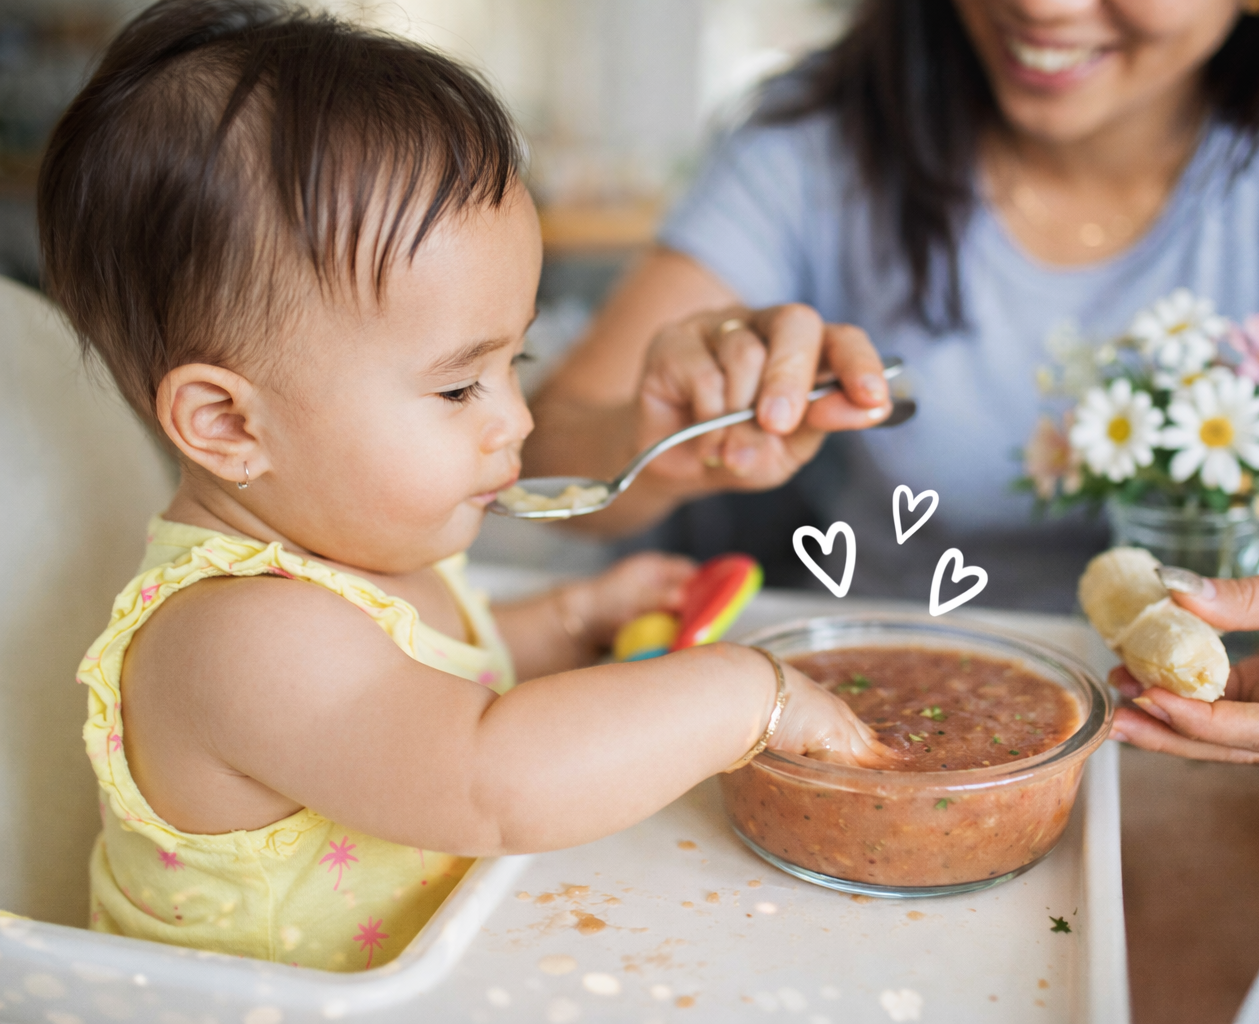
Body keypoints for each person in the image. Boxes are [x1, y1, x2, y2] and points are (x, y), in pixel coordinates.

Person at [37, 0, 882, 970]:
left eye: (516, 363)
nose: (516, 419)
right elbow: (489, 776)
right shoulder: (237, 635)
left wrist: (569, 618)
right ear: (229, 423)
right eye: (457, 386)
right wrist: (741, 694)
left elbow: (416, 684)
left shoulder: (351, 552)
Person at [527, 0, 1259, 762]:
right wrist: (661, 441)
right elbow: (549, 453)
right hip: (888, 727)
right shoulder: (817, 128)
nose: (1041, 8)